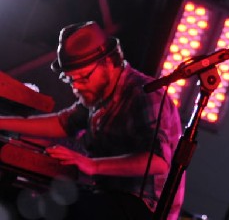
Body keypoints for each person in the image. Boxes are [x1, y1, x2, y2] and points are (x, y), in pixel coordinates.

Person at [0, 21, 184, 220]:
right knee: (21, 195)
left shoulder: (145, 93)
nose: (76, 86)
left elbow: (158, 161)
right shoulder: (100, 95)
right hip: (107, 197)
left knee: (57, 208)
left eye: (83, 77)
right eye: (71, 80)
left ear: (108, 63)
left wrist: (92, 165)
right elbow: (63, 123)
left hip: (144, 208)